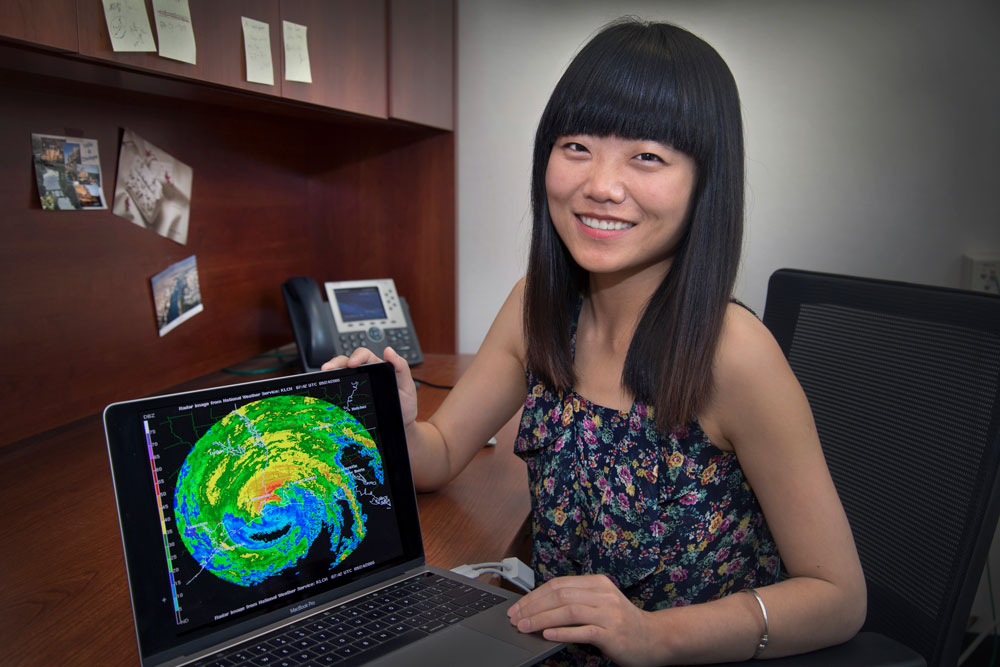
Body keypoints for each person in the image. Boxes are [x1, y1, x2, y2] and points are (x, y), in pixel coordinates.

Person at [324, 17, 866, 666]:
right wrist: (393, 421)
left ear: (703, 183)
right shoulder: (539, 306)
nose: (600, 183)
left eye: (647, 156)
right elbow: (437, 456)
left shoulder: (734, 354)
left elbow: (838, 595)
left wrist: (653, 635)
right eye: (576, 145)